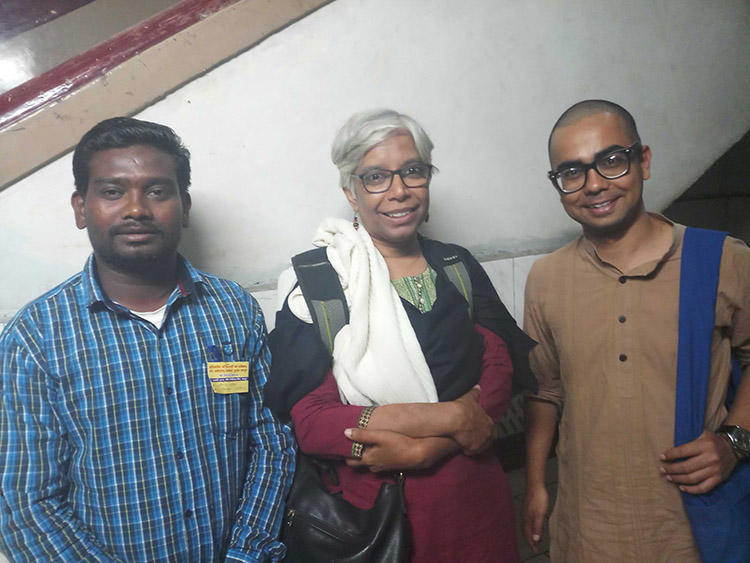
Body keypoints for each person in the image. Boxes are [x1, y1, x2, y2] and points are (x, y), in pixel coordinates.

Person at [0, 117, 295, 562]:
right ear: (81, 208)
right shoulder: (35, 339)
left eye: (157, 191)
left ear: (185, 205)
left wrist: (246, 553)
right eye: (113, 192)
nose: (136, 209)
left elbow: (272, 443)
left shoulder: (234, 310)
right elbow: (25, 504)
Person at [264, 109, 536, 562]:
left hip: (475, 507)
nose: (399, 191)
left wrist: (431, 448)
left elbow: (498, 363)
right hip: (376, 520)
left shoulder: (456, 265)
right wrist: (448, 419)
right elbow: (311, 422)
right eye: (375, 177)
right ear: (350, 192)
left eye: (412, 171)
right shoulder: (323, 282)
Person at [522, 100, 750, 561]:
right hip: (588, 527)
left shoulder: (721, 259)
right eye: (571, 171)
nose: (593, 185)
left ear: (642, 160)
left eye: (610, 161)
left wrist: (735, 439)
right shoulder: (546, 278)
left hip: (694, 528)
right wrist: (534, 486)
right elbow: (546, 390)